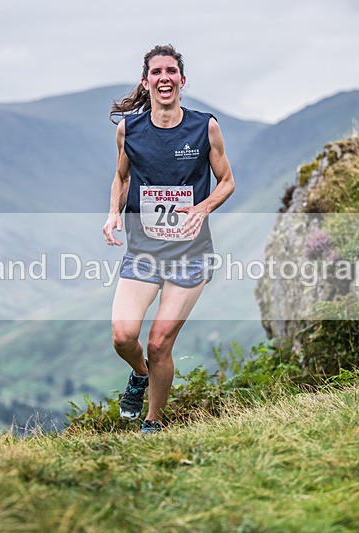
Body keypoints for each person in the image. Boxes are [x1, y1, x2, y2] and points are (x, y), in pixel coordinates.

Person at [102, 44, 235, 434]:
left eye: (171, 71)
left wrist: (203, 207)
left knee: (160, 342)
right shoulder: (129, 129)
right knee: (123, 337)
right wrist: (113, 213)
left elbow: (227, 181)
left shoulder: (204, 127)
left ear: (182, 80)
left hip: (190, 256)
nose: (164, 78)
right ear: (146, 82)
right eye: (156, 72)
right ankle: (139, 376)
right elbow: (122, 178)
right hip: (143, 251)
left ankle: (153, 423)